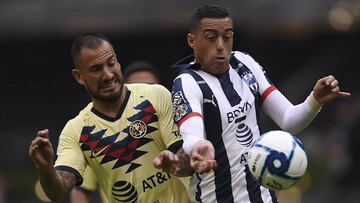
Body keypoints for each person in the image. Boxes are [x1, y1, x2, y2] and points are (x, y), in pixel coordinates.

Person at [168, 5, 351, 203]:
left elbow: (289, 121)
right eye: (211, 38)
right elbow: (190, 132)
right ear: (192, 41)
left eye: (227, 37)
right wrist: (198, 145)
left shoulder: (245, 64)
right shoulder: (187, 82)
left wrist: (314, 101)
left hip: (264, 198)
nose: (220, 45)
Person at [29, 33, 192, 203]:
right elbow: (59, 192)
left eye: (111, 63)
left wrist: (176, 162)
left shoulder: (156, 95)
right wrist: (45, 168)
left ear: (118, 62)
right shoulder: (75, 131)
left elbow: (188, 160)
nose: (107, 75)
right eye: (96, 69)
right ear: (79, 76)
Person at [69, 61, 162, 203]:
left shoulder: (176, 124)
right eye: (137, 87)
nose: (145, 92)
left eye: (150, 87)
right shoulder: (100, 139)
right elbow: (80, 191)